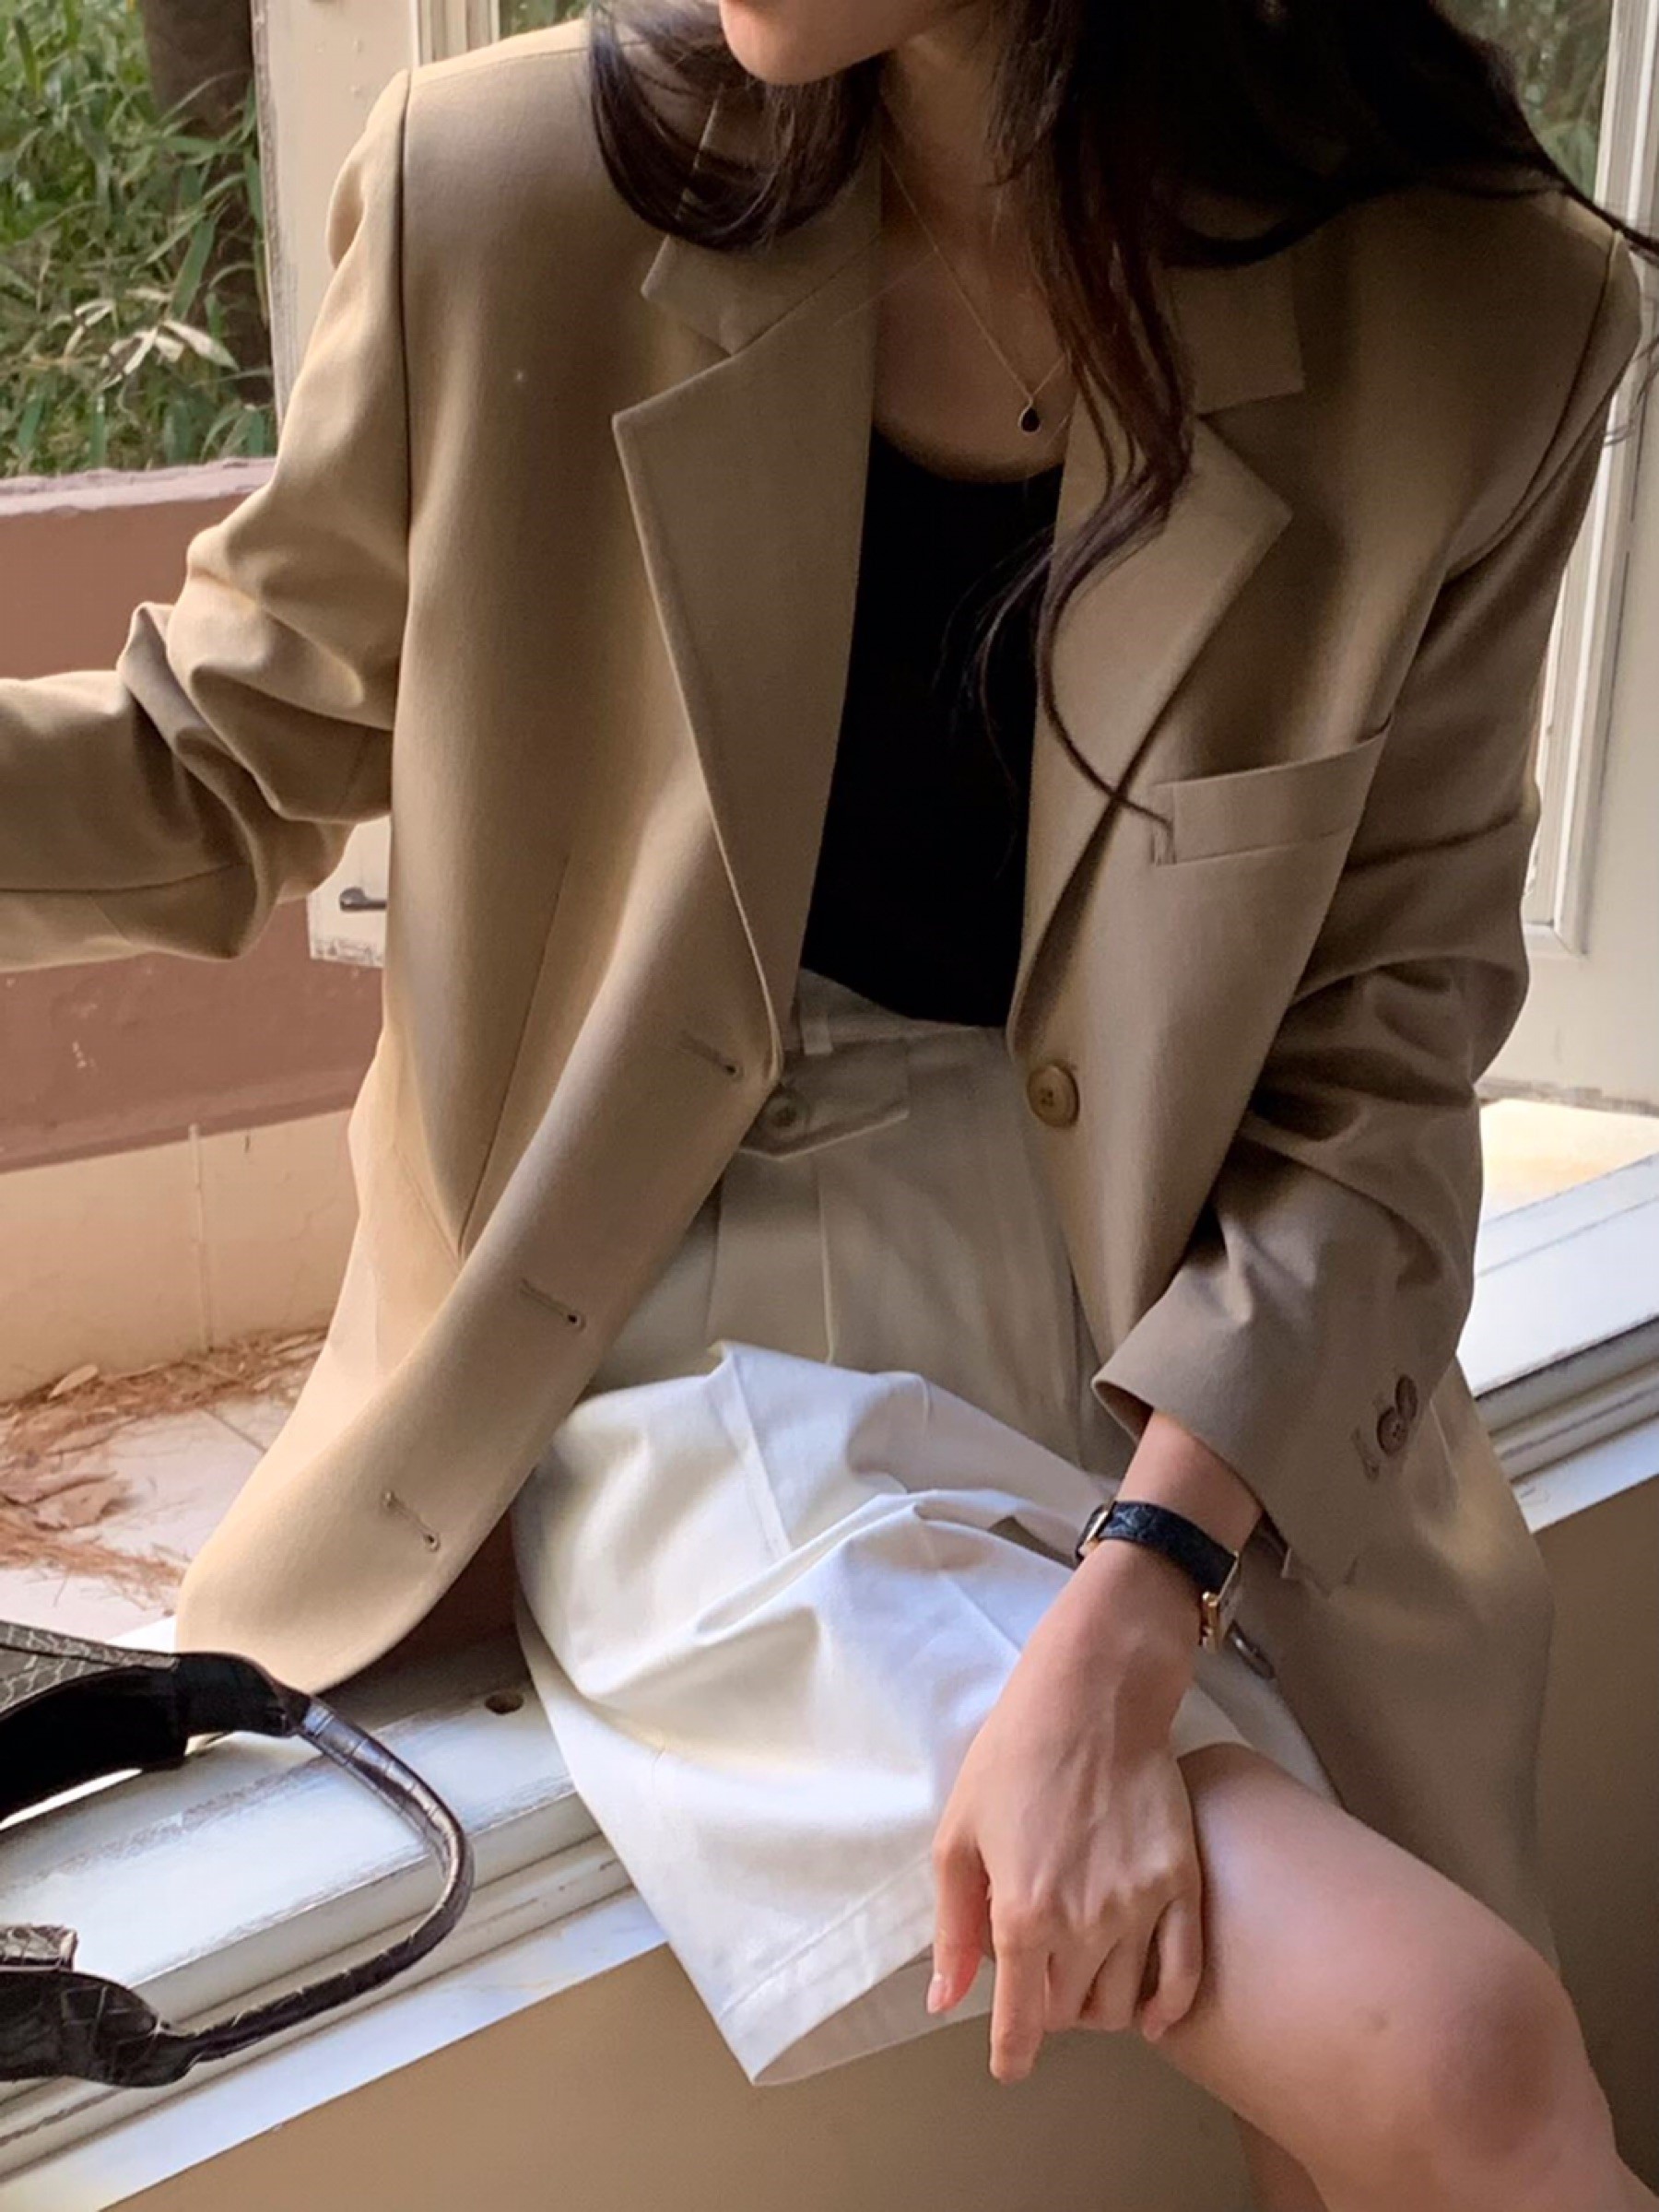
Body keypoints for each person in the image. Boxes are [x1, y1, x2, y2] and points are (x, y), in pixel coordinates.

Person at [2, 0, 1656, 2204]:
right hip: (716, 1347)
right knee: (1456, 2050)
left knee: (1413, 2086)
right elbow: (211, 770)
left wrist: (1142, 1597)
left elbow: (1381, 1064)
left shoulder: (1481, 311)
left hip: (1221, 1357)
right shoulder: (510, 200)